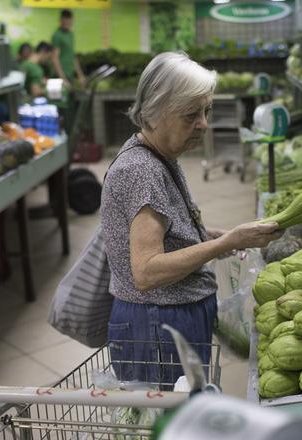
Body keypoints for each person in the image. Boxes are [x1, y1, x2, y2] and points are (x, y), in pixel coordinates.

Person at [100, 52, 283, 386]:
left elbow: (166, 231)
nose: (203, 123)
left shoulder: (158, 155)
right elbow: (147, 271)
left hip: (169, 320)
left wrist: (209, 236)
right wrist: (226, 243)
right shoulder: (140, 170)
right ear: (154, 113)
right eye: (190, 114)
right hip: (156, 328)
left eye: (206, 110)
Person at [51, 9, 86, 90]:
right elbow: (54, 59)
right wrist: (62, 79)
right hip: (60, 76)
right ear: (60, 21)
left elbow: (72, 56)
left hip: (70, 74)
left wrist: (80, 75)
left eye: (69, 22)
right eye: (65, 22)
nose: (67, 24)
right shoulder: (57, 36)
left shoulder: (71, 34)